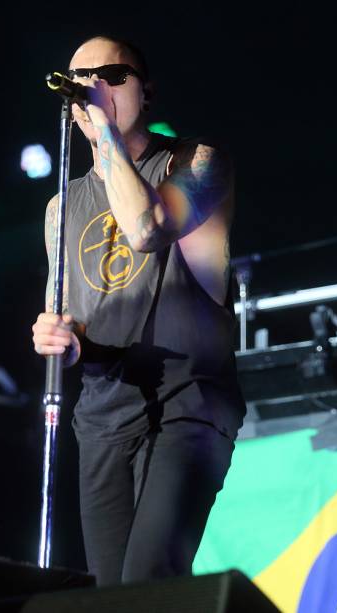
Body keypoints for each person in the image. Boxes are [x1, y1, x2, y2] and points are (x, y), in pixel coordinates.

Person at [30, 35, 245, 586]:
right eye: (81, 82)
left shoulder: (198, 161)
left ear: (145, 93)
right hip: (102, 417)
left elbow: (148, 229)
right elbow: (72, 315)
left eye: (110, 76)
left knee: (150, 580)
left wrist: (105, 134)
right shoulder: (61, 205)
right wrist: (61, 338)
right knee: (109, 596)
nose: (93, 90)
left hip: (187, 405)